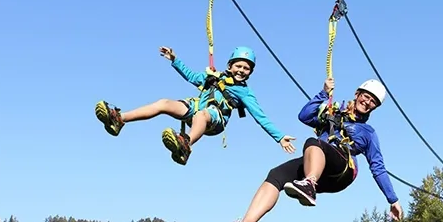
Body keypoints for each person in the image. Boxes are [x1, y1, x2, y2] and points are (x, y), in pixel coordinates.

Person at [219, 76, 403, 222]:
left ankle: (309, 184)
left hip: (342, 171)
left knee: (314, 143)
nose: (368, 103)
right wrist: (323, 94)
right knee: (276, 175)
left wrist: (392, 199)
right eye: (366, 97)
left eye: (373, 102)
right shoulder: (333, 110)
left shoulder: (368, 132)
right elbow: (304, 116)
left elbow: (377, 167)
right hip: (317, 164)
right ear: (357, 94)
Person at [94, 46, 296, 165]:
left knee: (202, 115)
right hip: (196, 107)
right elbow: (191, 76)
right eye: (239, 66)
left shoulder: (245, 92)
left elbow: (260, 116)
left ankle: (186, 144)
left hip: (213, 120)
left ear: (250, 72)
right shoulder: (214, 77)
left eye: (246, 68)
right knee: (164, 103)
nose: (242, 70)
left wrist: (279, 137)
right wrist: (175, 60)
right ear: (230, 66)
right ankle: (120, 119)